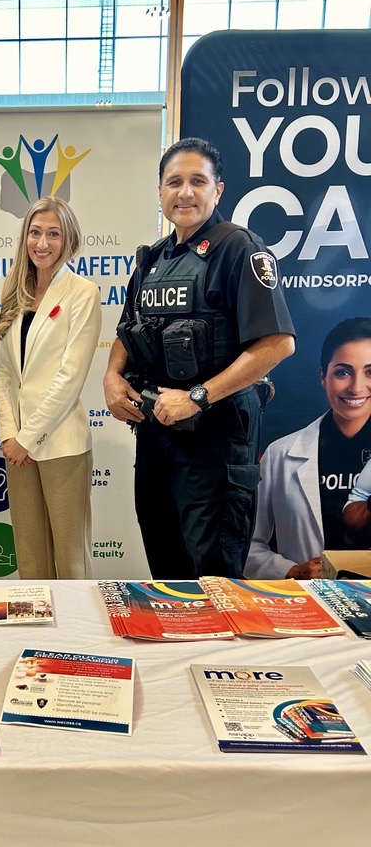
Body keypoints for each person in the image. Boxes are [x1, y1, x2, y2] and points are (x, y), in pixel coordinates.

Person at [103, 136, 295, 580]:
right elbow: (127, 332)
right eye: (174, 182)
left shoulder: (239, 249)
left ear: (218, 190)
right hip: (156, 439)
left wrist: (198, 396)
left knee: (214, 579)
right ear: (160, 193)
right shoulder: (153, 259)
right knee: (167, 574)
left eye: (197, 181)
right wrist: (112, 378)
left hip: (215, 443)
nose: (184, 192)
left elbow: (278, 343)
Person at [0, 197, 101, 579]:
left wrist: (27, 437)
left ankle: (76, 636)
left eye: (53, 234)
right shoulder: (14, 293)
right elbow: (4, 373)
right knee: (30, 553)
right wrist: (9, 435)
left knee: (70, 559)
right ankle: (34, 626)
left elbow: (69, 378)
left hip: (60, 443)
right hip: (16, 447)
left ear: (67, 239)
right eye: (35, 233)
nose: (43, 243)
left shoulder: (82, 293)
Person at [246, 318, 371, 579]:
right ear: (323, 377)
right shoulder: (281, 455)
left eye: (370, 372)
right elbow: (246, 545)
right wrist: (293, 572)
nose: (357, 387)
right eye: (343, 372)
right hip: (309, 605)